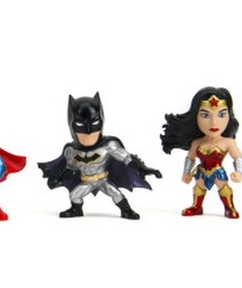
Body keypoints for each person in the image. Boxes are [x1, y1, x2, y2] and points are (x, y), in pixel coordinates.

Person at [38, 92, 161, 219]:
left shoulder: (108, 146)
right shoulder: (72, 151)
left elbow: (127, 158)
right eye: (80, 126)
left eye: (94, 124)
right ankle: (76, 210)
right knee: (75, 195)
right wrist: (58, 179)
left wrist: (143, 168)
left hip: (103, 180)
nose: (88, 131)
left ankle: (127, 210)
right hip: (86, 181)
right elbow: (71, 169)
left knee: (116, 193)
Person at [161, 86, 242, 218]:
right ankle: (196, 206)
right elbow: (190, 158)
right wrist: (186, 172)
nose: (214, 122)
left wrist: (239, 172)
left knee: (224, 189)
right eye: (205, 115)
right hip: (201, 172)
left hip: (218, 172)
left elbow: (238, 158)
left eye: (221, 114)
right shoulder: (197, 143)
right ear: (196, 117)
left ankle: (229, 207)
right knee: (198, 188)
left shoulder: (228, 142)